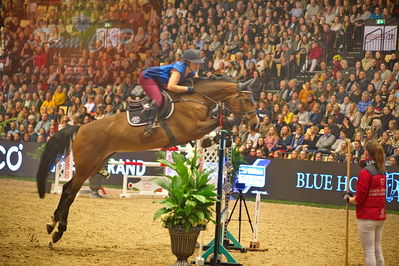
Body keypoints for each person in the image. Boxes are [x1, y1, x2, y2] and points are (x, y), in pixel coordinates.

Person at [139, 49, 204, 136]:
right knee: (158, 98)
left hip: (160, 80)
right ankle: (149, 124)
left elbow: (197, 82)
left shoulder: (190, 72)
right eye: (195, 63)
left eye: (198, 63)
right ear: (188, 62)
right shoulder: (178, 69)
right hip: (147, 77)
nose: (197, 65)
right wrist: (188, 89)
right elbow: (171, 86)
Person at [344, 140, 387, 266]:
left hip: (367, 215)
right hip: (380, 214)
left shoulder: (365, 172)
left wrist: (348, 199)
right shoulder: (382, 171)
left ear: (367, 153)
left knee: (369, 251)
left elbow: (360, 198)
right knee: (377, 249)